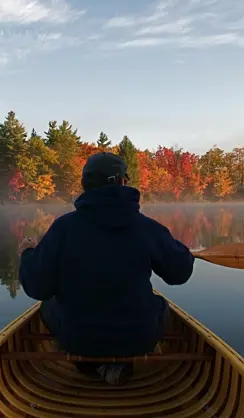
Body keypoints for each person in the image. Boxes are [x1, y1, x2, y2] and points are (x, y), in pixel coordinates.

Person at [18, 151, 195, 385]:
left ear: (85, 185)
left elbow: (37, 287)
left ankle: (91, 365)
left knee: (48, 304)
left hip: (77, 338)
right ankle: (115, 364)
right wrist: (183, 251)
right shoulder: (147, 228)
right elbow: (179, 273)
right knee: (162, 308)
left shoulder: (63, 229)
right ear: (123, 182)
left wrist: (28, 254)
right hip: (139, 337)